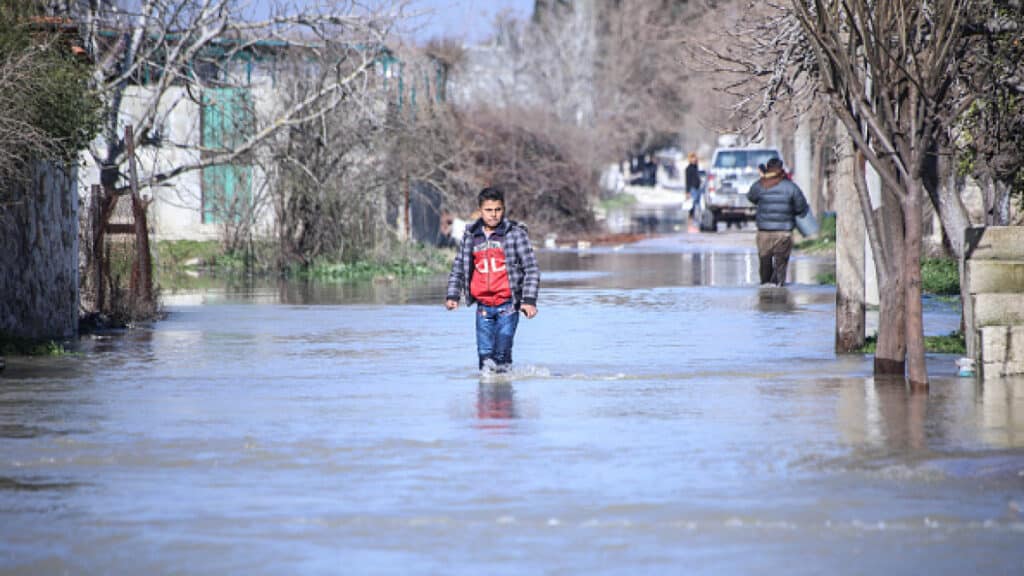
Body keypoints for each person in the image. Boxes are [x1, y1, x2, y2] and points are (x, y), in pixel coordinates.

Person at [445, 187, 540, 373]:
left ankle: (504, 397)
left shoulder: (515, 235)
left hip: (508, 305)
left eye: (498, 210)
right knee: (484, 355)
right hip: (483, 308)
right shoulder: (471, 235)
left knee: (502, 353)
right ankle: (486, 398)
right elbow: (459, 267)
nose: (494, 214)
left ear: (503, 210)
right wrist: (453, 295)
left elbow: (531, 269)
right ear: (480, 211)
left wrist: (529, 301)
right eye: (489, 210)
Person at [746, 157, 809, 287]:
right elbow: (801, 207)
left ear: (768, 168)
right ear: (781, 169)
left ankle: (766, 292)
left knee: (765, 264)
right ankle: (779, 290)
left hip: (764, 232)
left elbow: (751, 197)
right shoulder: (790, 186)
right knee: (781, 264)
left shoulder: (760, 185)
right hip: (784, 232)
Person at [685, 152, 702, 217]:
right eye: (692, 158)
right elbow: (687, 181)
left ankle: (698, 217)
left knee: (699, 203)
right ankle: (691, 216)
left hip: (698, 188)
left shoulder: (696, 167)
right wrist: (687, 192)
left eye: (695, 158)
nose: (694, 159)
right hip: (692, 188)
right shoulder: (688, 168)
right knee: (693, 203)